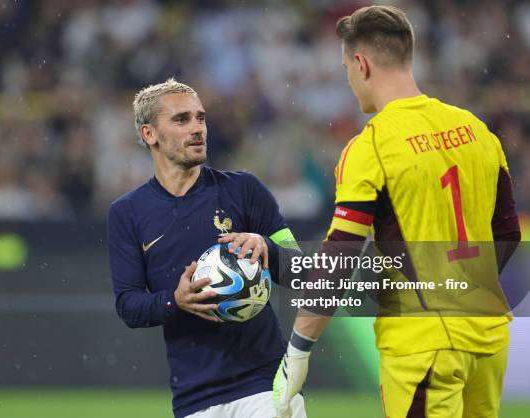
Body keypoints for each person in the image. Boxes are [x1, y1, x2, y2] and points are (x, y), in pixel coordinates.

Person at [272, 5, 521, 418]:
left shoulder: (371, 147)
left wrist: (297, 350)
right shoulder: (477, 130)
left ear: (361, 63)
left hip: (422, 347)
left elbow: (340, 257)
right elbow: (508, 233)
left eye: (346, 68)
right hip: (488, 340)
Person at [108, 78, 307, 418]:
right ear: (149, 134)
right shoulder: (127, 213)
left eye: (200, 118)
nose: (197, 128)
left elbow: (305, 272)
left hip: (265, 388)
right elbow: (128, 305)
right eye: (182, 119)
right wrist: (176, 300)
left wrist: (267, 248)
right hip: (194, 399)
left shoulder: (244, 190)